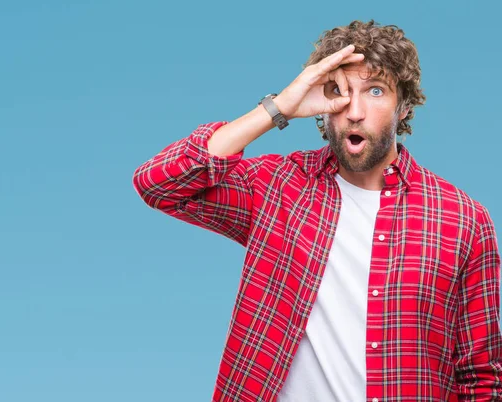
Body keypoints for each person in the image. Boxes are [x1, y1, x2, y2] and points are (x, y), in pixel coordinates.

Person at [132, 20, 502, 401]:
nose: (355, 111)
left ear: (403, 106)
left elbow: (481, 378)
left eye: (376, 91)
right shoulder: (279, 187)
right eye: (340, 92)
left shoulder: (463, 221)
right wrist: (279, 108)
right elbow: (159, 184)